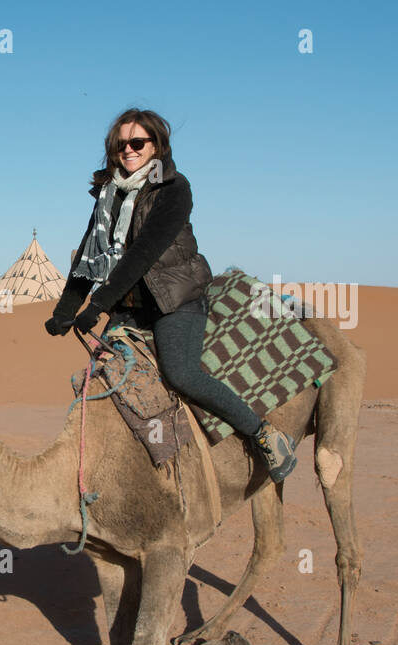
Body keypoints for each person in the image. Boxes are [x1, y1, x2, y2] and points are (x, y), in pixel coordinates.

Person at [46, 108, 297, 482]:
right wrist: (65, 309)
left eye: (137, 142)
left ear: (156, 146)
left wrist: (97, 305)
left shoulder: (174, 190)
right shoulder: (108, 196)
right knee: (99, 380)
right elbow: (88, 254)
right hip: (129, 308)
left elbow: (143, 253)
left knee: (182, 374)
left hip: (174, 300)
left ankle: (264, 435)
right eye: (120, 145)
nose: (128, 150)